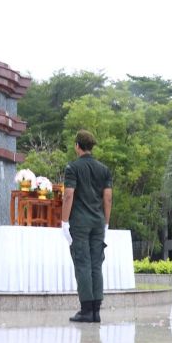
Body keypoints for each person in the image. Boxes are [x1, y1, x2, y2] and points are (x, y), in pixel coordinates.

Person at [61, 130, 113, 323]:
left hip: (80, 223)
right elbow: (107, 198)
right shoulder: (104, 170)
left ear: (77, 146)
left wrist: (64, 221)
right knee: (96, 264)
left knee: (82, 263)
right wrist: (106, 222)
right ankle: (96, 311)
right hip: (99, 222)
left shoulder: (72, 168)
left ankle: (85, 310)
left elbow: (68, 195)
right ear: (91, 146)